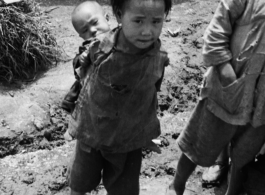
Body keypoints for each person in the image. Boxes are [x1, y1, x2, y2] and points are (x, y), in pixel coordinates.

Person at [67, 0, 172, 195]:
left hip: (128, 138)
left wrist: (146, 132)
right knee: (80, 181)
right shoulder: (100, 48)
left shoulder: (159, 57)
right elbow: (82, 77)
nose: (147, 31)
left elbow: (150, 96)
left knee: (124, 188)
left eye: (156, 21)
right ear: (118, 14)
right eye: (138, 21)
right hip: (92, 131)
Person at [166, 0, 265, 195]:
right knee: (201, 139)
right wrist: (227, 73)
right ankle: (177, 185)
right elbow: (216, 33)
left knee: (245, 150)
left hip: (261, 101)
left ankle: (233, 188)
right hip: (228, 88)